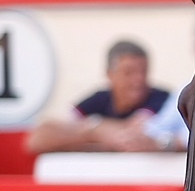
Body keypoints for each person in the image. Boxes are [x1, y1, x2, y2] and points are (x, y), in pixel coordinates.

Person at [24, 41, 175, 155]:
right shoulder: (99, 99)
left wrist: (90, 130)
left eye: (143, 72)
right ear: (110, 74)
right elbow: (39, 138)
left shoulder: (161, 98)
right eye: (129, 73)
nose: (139, 80)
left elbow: (131, 134)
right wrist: (93, 132)